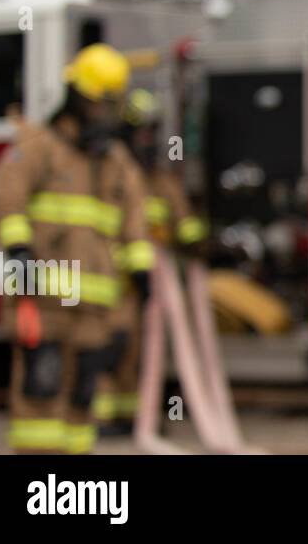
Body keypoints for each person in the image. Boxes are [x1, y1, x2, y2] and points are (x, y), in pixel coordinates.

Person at [0, 44, 154, 454]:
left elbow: (135, 216)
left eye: (109, 106)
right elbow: (7, 191)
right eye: (98, 104)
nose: (103, 115)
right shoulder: (40, 146)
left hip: (95, 309)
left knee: (84, 399)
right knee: (41, 394)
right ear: (76, 98)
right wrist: (18, 248)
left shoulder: (115, 162)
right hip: (43, 302)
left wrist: (141, 269)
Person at [92, 88, 208, 435]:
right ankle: (101, 417)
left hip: (151, 284)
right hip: (112, 278)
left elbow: (182, 220)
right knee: (110, 346)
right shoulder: (109, 173)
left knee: (144, 353)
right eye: (140, 131)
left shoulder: (160, 179)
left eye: (151, 131)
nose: (146, 139)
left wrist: (196, 241)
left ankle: (135, 416)